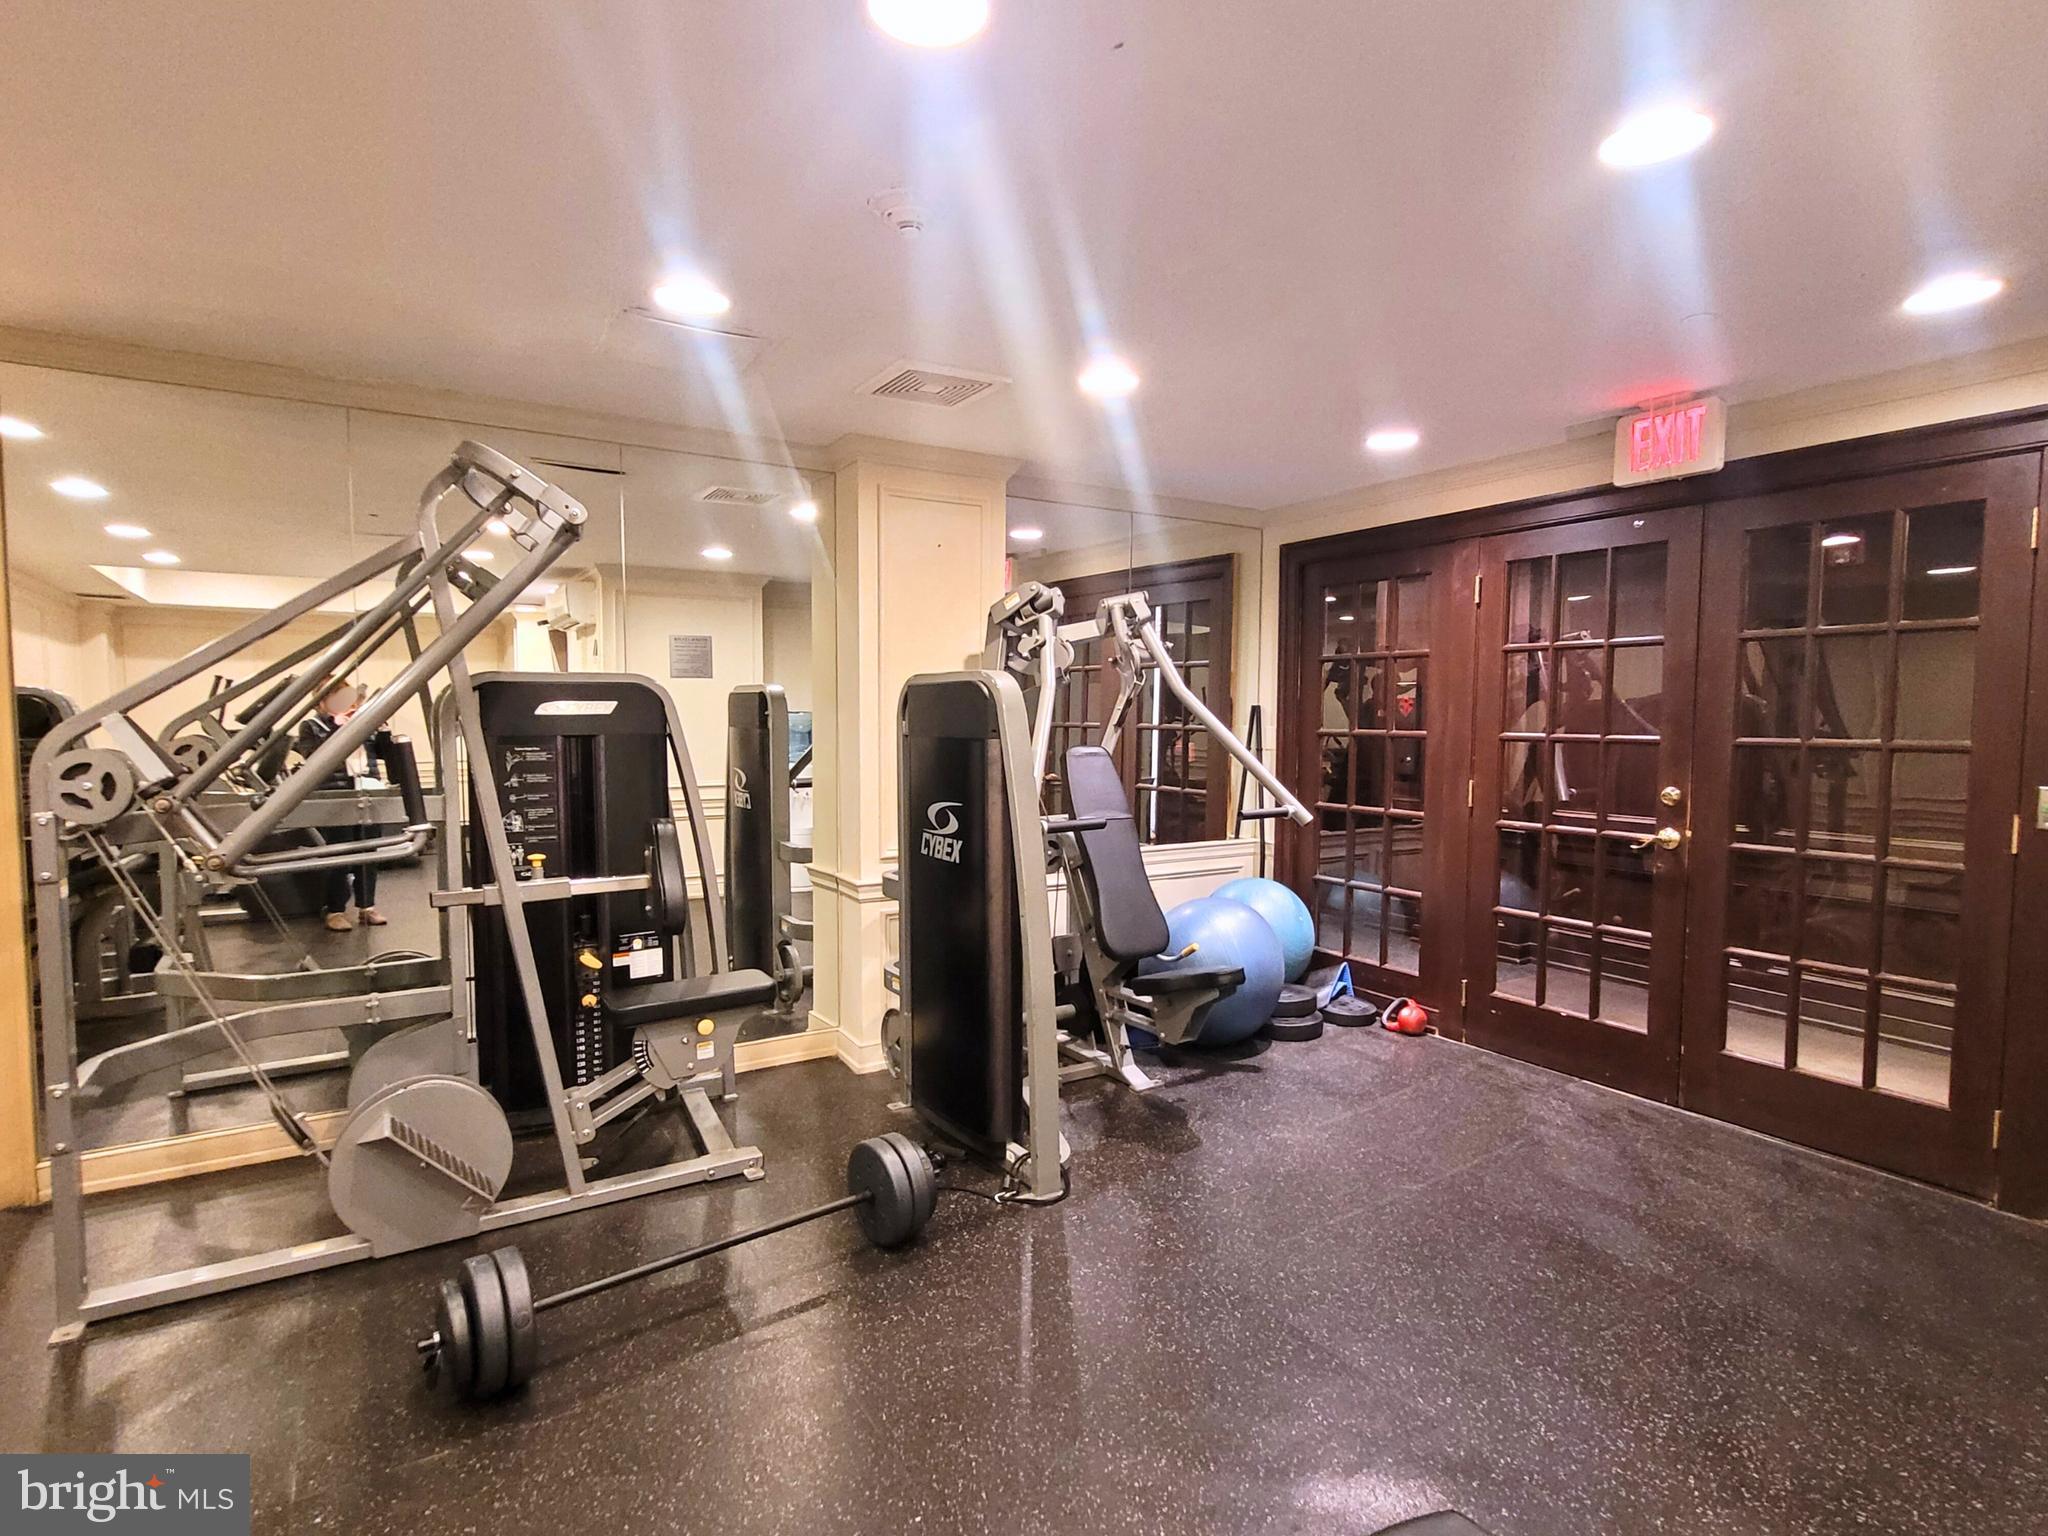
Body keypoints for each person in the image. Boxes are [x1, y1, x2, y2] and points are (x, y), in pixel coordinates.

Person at [294, 678, 387, 932]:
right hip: (335, 795)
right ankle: (334, 910)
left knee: (369, 852)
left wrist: (382, 729)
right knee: (338, 855)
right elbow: (313, 756)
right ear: (321, 701)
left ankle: (367, 906)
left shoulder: (363, 722)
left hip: (367, 791)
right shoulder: (311, 726)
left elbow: (381, 752)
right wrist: (339, 726)